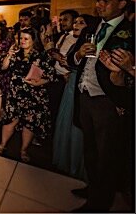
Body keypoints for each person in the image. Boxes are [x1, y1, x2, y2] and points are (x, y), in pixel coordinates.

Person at [73, 0, 134, 212]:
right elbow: (72, 59)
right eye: (98, 0)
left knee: (106, 156)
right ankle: (93, 187)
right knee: (90, 149)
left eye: (105, 1)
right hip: (85, 96)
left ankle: (99, 203)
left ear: (122, 3)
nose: (99, 5)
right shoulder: (93, 26)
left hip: (108, 102)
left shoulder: (130, 31)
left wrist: (128, 71)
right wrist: (78, 54)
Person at [0, 28, 58, 162]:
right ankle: (2, 145)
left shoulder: (41, 56)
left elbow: (51, 75)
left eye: (26, 39)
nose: (22, 41)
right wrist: (9, 55)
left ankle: (23, 150)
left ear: (33, 40)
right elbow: (4, 67)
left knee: (29, 124)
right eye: (20, 38)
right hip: (15, 93)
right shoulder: (16, 53)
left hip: (33, 95)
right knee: (10, 120)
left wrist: (38, 83)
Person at [52, 14, 96, 180]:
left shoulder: (90, 43)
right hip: (70, 86)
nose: (76, 25)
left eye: (81, 22)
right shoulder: (77, 44)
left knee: (78, 126)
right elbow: (70, 61)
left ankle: (76, 165)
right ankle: (65, 160)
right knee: (66, 122)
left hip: (80, 87)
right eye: (76, 22)